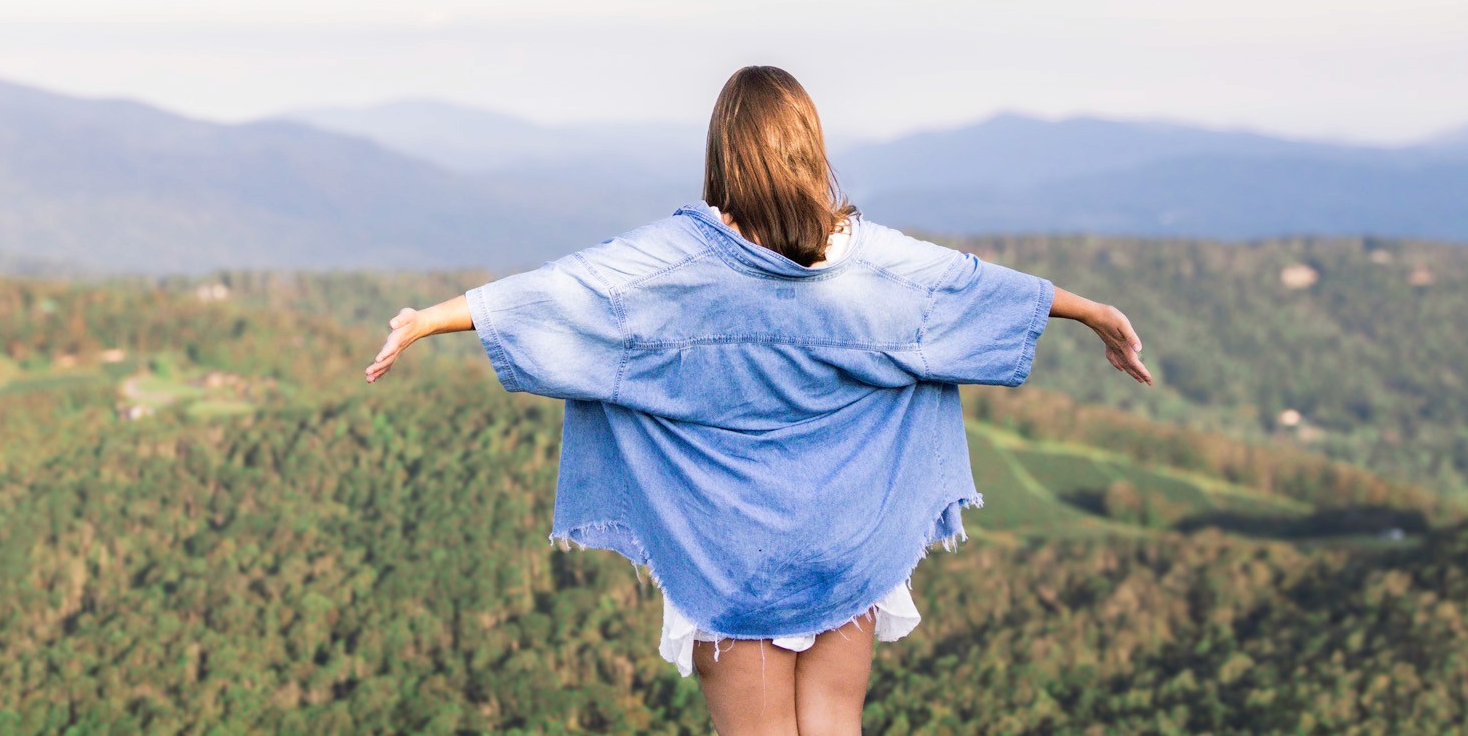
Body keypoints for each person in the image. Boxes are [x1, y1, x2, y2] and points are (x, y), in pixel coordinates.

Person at [366, 66, 1151, 736]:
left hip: (729, 557)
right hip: (849, 542)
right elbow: (972, 287)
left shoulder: (672, 262)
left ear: (723, 156)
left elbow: (562, 295)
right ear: (810, 148)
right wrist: (1091, 312)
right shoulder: (870, 261)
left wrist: (431, 318)